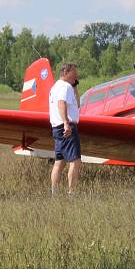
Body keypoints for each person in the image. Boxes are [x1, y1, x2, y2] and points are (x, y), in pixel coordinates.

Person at [49, 62, 81, 195]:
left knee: (59, 162)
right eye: (74, 73)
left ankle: (54, 193)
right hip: (66, 127)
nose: (76, 75)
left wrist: (75, 86)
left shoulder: (56, 87)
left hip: (57, 128)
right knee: (75, 161)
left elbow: (77, 104)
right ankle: (71, 193)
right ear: (66, 72)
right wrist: (66, 123)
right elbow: (61, 103)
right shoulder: (65, 87)